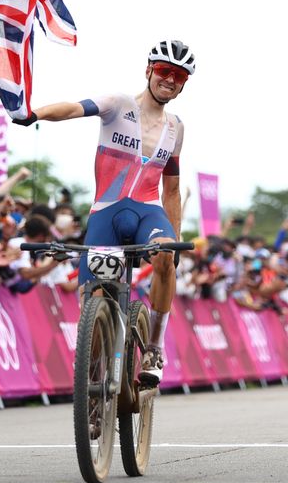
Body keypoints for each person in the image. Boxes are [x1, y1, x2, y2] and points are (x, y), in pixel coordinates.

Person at [12, 39, 195, 385]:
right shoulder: (117, 104)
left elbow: (171, 189)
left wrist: (176, 238)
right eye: (164, 71)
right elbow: (71, 108)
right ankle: (95, 383)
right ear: (148, 71)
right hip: (106, 214)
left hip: (147, 213)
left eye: (179, 76)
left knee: (165, 258)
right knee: (90, 306)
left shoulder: (176, 129)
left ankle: (154, 347)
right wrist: (34, 114)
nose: (170, 80)